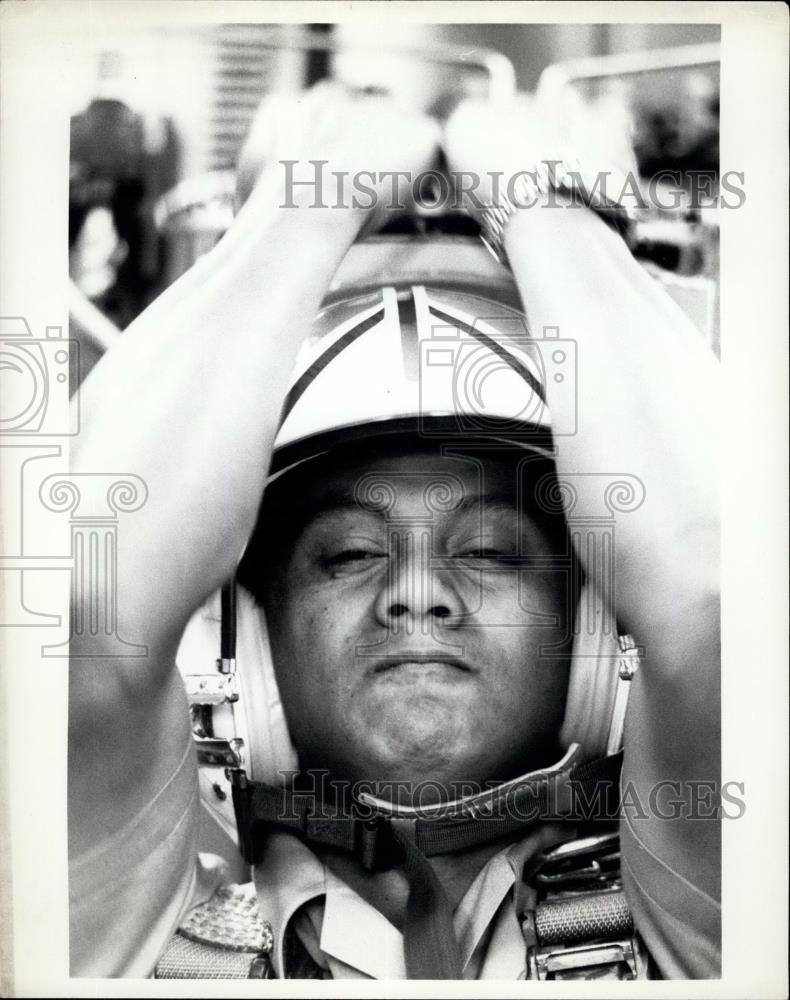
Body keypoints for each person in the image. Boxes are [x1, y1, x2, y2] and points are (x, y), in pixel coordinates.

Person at [68, 86, 720, 980]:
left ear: (597, 636)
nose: (419, 591)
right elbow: (85, 606)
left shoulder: (711, 921)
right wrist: (308, 203)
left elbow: (723, 602)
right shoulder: (125, 932)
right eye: (350, 553)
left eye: (489, 550)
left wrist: (543, 207)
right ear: (247, 633)